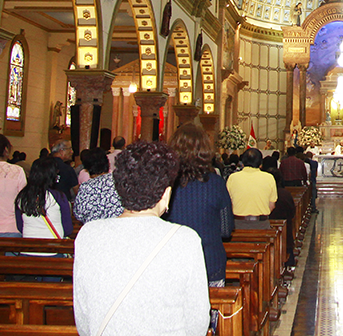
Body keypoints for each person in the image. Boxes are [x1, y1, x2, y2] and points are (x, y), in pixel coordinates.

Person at [74, 140, 210, 335]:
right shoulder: (185, 240)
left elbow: (83, 319)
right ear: (166, 195)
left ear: (119, 187)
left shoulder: (88, 235)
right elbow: (197, 323)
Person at [167, 124, 234, 288]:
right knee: (209, 312)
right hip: (209, 262)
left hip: (171, 263)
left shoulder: (164, 182)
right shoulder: (216, 183)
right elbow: (226, 230)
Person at [14, 157, 73, 245]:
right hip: (54, 250)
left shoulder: (22, 196)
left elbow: (20, 226)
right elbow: (68, 229)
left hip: (28, 249)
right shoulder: (58, 196)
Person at [226, 148, 276, 229]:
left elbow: (228, 202)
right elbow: (272, 205)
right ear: (260, 163)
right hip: (261, 225)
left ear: (242, 163)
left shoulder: (233, 178)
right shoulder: (269, 178)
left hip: (237, 225)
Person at [73, 148, 123, 223]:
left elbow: (78, 213)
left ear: (87, 168)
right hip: (117, 228)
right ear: (107, 163)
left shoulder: (86, 187)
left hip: (94, 229)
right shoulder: (119, 183)